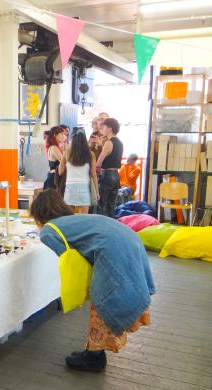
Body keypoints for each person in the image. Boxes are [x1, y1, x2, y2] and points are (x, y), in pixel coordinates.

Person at [30, 189, 154, 371]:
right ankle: (94, 353)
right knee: (103, 300)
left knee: (103, 299)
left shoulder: (49, 231)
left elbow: (69, 260)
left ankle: (94, 357)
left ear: (39, 214)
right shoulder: (76, 218)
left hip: (114, 252)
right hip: (130, 241)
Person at [58, 129, 98, 214]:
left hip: (70, 187)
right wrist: (97, 192)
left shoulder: (67, 152)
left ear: (73, 139)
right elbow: (93, 174)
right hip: (84, 188)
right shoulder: (90, 154)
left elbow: (60, 172)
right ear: (85, 139)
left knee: (69, 217)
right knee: (83, 218)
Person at [96, 118, 123, 218]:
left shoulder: (109, 143)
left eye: (103, 127)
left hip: (107, 175)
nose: (102, 130)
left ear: (110, 129)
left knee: (102, 205)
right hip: (116, 176)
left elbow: (98, 163)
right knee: (112, 205)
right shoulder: (120, 143)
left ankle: (101, 229)